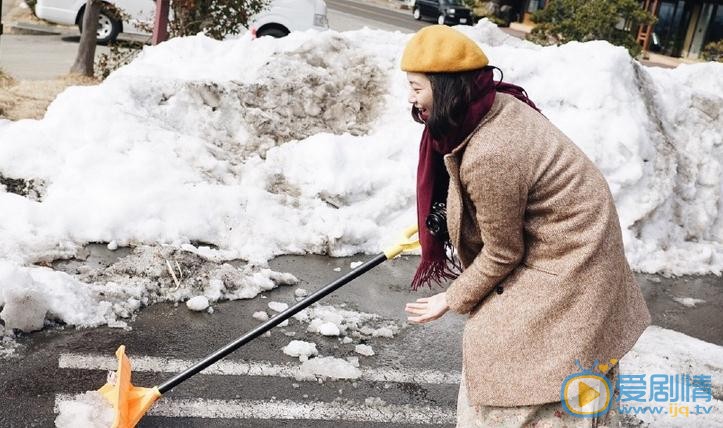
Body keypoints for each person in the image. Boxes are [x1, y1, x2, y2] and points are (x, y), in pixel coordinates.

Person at [401, 25, 651, 427]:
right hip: (569, 245)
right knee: (531, 356)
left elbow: (503, 251)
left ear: (446, 88)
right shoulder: (489, 105)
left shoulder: (492, 152)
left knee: (506, 355)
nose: (411, 98)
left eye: (416, 87)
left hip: (573, 261)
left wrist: (452, 297)